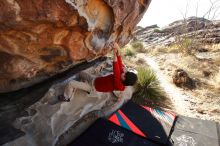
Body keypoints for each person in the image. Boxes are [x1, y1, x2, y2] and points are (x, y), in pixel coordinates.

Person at [58, 42, 138, 102]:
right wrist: (118, 48)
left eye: (124, 76)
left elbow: (116, 67)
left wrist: (114, 50)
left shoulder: (119, 85)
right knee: (81, 73)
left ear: (125, 81)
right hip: (95, 80)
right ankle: (80, 86)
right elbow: (119, 61)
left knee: (71, 83)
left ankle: (66, 97)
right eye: (125, 73)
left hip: (93, 88)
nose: (123, 73)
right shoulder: (122, 76)